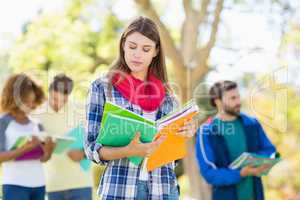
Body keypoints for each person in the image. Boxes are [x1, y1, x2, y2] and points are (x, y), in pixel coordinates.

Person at [84, 16, 196, 200]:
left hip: (163, 189)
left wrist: (184, 132)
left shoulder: (168, 97)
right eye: (132, 46)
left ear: (155, 52)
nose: (137, 54)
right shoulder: (102, 88)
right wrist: (129, 151)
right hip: (120, 189)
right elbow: (91, 149)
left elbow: (173, 158)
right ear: (123, 45)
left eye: (146, 49)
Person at [195, 80, 278, 200]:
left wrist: (259, 160)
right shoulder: (206, 131)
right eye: (233, 98)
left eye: (238, 97)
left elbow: (270, 150)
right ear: (218, 102)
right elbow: (209, 173)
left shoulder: (252, 124)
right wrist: (240, 173)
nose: (238, 102)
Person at [34, 74, 93, 200]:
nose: (59, 104)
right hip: (53, 185)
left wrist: (84, 153)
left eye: (63, 100)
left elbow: (99, 139)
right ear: (49, 92)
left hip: (81, 184)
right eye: (55, 99)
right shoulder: (37, 115)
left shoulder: (81, 110)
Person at [0, 73, 55, 200]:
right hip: (15, 185)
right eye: (26, 102)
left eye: (32, 101)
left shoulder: (36, 123)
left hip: (39, 184)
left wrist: (49, 150)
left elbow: (43, 159)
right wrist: (24, 148)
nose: (31, 105)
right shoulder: (3, 122)